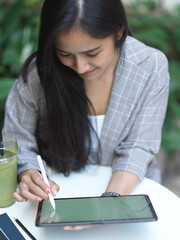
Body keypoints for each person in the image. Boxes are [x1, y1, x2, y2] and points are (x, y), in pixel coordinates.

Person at [4, 0, 169, 227]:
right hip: (56, 199)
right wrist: (28, 173)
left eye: (92, 52)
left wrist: (106, 206)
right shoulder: (40, 74)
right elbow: (18, 141)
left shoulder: (150, 65)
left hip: (129, 192)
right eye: (65, 53)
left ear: (119, 31)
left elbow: (138, 148)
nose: (80, 67)